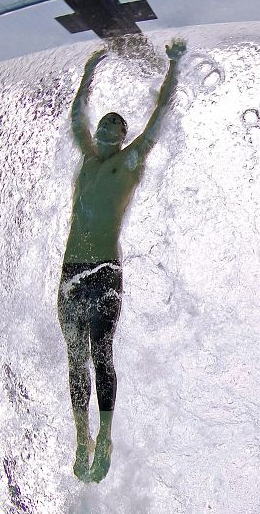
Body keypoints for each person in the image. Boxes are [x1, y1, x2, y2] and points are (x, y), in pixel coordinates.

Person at [58, 39, 187, 482]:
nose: (108, 124)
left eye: (117, 122)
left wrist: (173, 66)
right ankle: (82, 436)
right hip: (71, 274)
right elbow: (77, 116)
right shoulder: (89, 162)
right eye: (106, 121)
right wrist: (89, 70)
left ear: (123, 135)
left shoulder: (128, 163)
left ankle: (107, 433)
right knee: (74, 357)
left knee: (100, 351)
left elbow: (159, 118)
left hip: (104, 273)